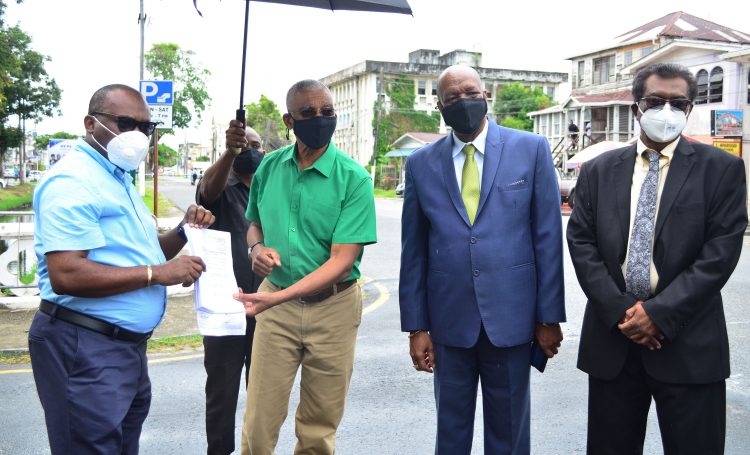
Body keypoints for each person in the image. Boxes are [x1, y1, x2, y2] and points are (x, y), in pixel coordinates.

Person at [567, 62, 748, 454]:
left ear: (689, 110)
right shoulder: (598, 171)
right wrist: (622, 313)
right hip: (613, 342)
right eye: (655, 101)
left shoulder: (722, 170)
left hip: (689, 343)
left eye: (677, 103)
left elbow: (720, 252)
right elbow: (582, 244)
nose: (666, 111)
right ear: (636, 108)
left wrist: (659, 314)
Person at [28, 83, 215, 455]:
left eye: (146, 127)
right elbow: (67, 274)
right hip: (84, 345)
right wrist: (156, 275)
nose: (138, 135)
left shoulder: (117, 178)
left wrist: (183, 231)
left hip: (123, 349)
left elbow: (144, 254)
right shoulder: (73, 180)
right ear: (90, 123)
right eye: (126, 123)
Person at [399, 65, 565, 454]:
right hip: (448, 322)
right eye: (453, 97)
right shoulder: (421, 164)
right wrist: (416, 327)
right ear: (439, 106)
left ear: (486, 94)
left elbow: (547, 240)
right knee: (451, 434)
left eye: (470, 93)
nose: (463, 102)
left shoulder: (531, 149)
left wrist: (548, 317)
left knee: (509, 434)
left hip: (512, 320)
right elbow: (415, 253)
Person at [233, 79, 377, 455]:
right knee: (259, 420)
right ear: (289, 120)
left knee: (319, 425)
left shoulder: (354, 179)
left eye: (327, 112)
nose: (319, 119)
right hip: (276, 310)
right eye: (308, 113)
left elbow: (342, 260)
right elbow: (254, 224)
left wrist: (278, 295)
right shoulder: (268, 168)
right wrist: (257, 249)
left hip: (334, 308)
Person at [197, 122, 265, 455]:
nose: (250, 150)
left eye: (256, 145)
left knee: (263, 395)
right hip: (225, 309)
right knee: (222, 395)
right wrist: (230, 152)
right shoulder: (221, 184)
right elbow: (207, 192)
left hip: (267, 307)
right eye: (244, 145)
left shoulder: (269, 188)